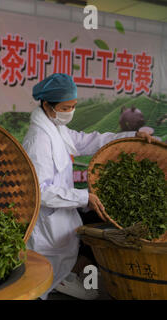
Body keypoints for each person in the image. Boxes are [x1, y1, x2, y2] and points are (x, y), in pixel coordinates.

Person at [22, 73, 153, 300]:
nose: (70, 111)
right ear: (46, 105)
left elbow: (87, 140)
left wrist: (132, 136)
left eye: (73, 105)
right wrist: (85, 197)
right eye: (66, 107)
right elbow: (40, 190)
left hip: (61, 219)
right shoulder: (38, 140)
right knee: (40, 280)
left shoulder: (56, 129)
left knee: (58, 268)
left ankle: (59, 282)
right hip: (47, 224)